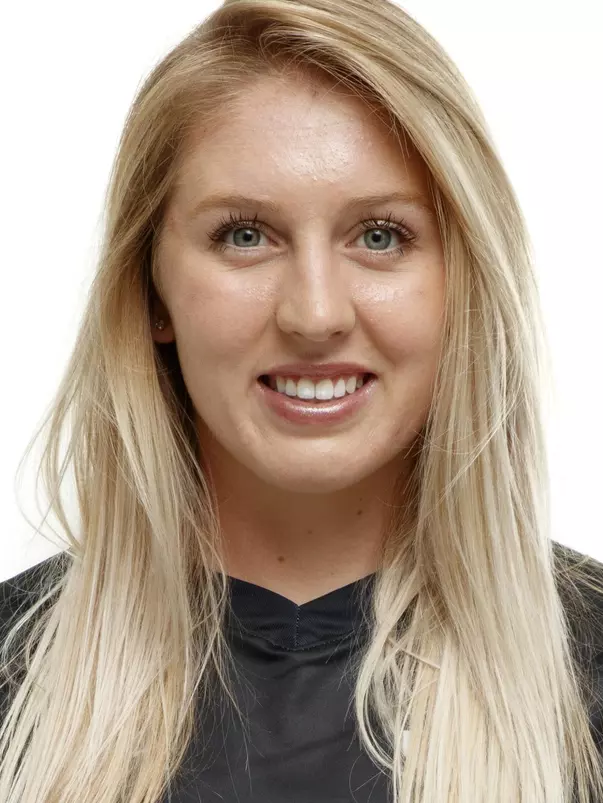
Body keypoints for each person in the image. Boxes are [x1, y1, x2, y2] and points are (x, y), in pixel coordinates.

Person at [1, 0, 602, 800]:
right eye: (245, 235)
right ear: (151, 291)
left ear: (461, 281)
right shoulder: (15, 680)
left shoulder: (586, 679)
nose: (315, 314)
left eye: (380, 235)